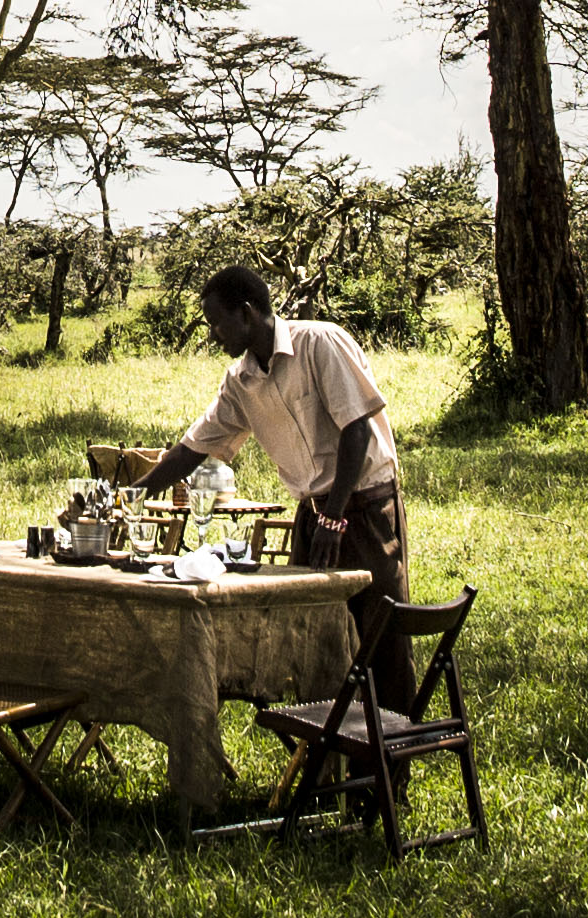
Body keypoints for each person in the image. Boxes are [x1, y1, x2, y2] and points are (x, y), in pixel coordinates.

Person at [121, 266, 418, 717]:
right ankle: (326, 763)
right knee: (312, 642)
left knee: (381, 636)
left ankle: (391, 764)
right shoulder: (240, 381)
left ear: (247, 313)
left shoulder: (319, 343)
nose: (214, 335)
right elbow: (191, 449)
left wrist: (334, 519)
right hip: (315, 514)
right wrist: (132, 496)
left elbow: (356, 432)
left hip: (365, 509)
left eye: (218, 323)